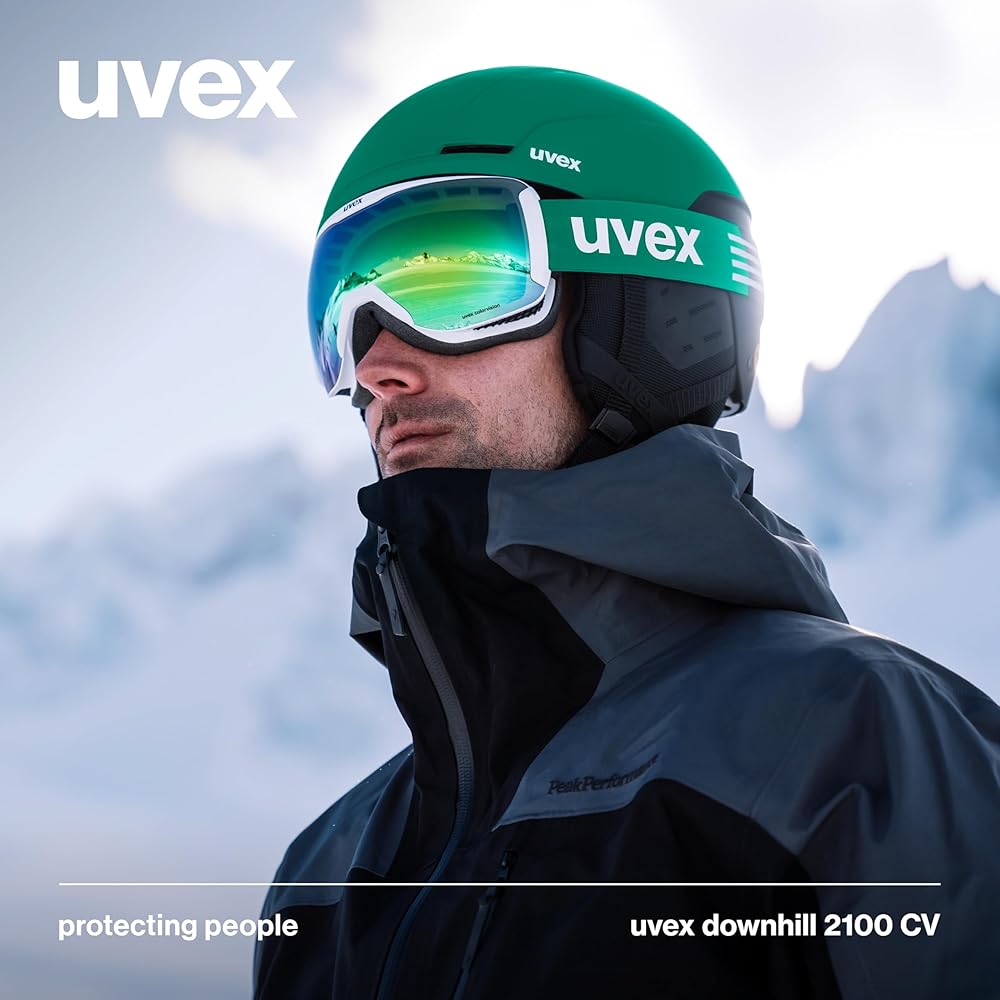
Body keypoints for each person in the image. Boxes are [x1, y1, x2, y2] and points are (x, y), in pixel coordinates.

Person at [253, 67, 1000, 999]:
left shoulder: (853, 747)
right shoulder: (324, 875)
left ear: (645, 310)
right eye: (346, 307)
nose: (377, 364)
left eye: (451, 283)